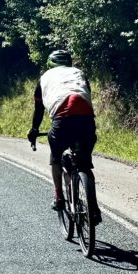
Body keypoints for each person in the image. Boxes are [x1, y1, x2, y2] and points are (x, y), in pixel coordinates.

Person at [28, 48, 97, 217]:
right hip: (86, 118)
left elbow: (39, 110)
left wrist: (34, 130)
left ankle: (59, 196)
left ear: (49, 64)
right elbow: (86, 93)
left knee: (56, 158)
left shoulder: (44, 78)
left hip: (62, 120)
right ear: (69, 62)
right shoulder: (79, 73)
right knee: (85, 164)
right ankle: (93, 209)